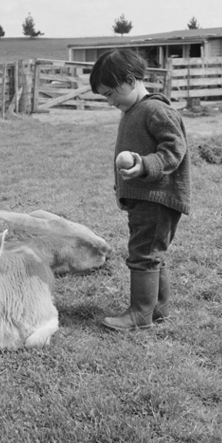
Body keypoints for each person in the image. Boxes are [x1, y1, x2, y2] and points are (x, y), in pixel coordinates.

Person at [89, 48, 190, 331]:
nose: (109, 101)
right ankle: (158, 308)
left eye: (110, 93)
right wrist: (123, 191)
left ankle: (140, 314)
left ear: (130, 80)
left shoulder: (155, 110)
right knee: (152, 251)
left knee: (143, 253)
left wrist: (145, 165)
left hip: (157, 198)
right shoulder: (134, 109)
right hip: (144, 197)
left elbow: (174, 149)